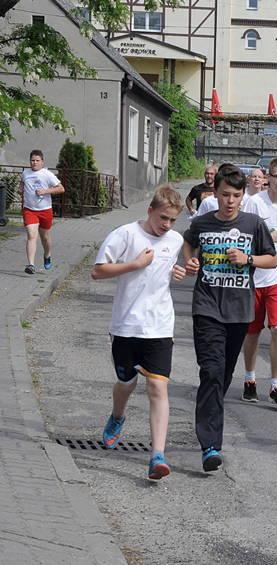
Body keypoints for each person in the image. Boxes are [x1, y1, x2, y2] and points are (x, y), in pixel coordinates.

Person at [181, 164, 277, 473]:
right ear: (216, 193)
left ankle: (208, 416)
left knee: (222, 376)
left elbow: (272, 258)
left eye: (237, 195)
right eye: (225, 195)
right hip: (207, 306)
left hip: (239, 311)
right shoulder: (204, 222)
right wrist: (190, 260)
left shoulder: (253, 224)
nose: (231, 201)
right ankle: (210, 445)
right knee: (210, 370)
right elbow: (187, 241)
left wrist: (248, 258)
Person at [93, 185, 186, 481]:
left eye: (172, 220)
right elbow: (98, 271)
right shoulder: (125, 234)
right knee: (126, 383)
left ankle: (157, 454)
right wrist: (135, 264)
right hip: (126, 325)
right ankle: (118, 416)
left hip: (159, 325)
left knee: (158, 387)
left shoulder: (175, 240)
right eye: (163, 218)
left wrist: (180, 273)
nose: (166, 225)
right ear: (150, 211)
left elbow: (169, 271)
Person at [240, 158, 277, 408]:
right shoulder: (254, 203)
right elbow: (243, 238)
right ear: (267, 178)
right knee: (252, 331)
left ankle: (276, 385)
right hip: (255, 276)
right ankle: (250, 379)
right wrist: (269, 236)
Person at [20, 150, 65, 274]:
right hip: (29, 210)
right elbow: (22, 184)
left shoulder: (47, 174)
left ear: (42, 161)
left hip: (45, 210)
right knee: (31, 235)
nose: (34, 163)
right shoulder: (25, 173)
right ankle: (31, 264)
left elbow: (61, 189)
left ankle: (47, 254)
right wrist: (21, 190)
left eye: (37, 160)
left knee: (44, 237)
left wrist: (45, 191)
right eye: (32, 160)